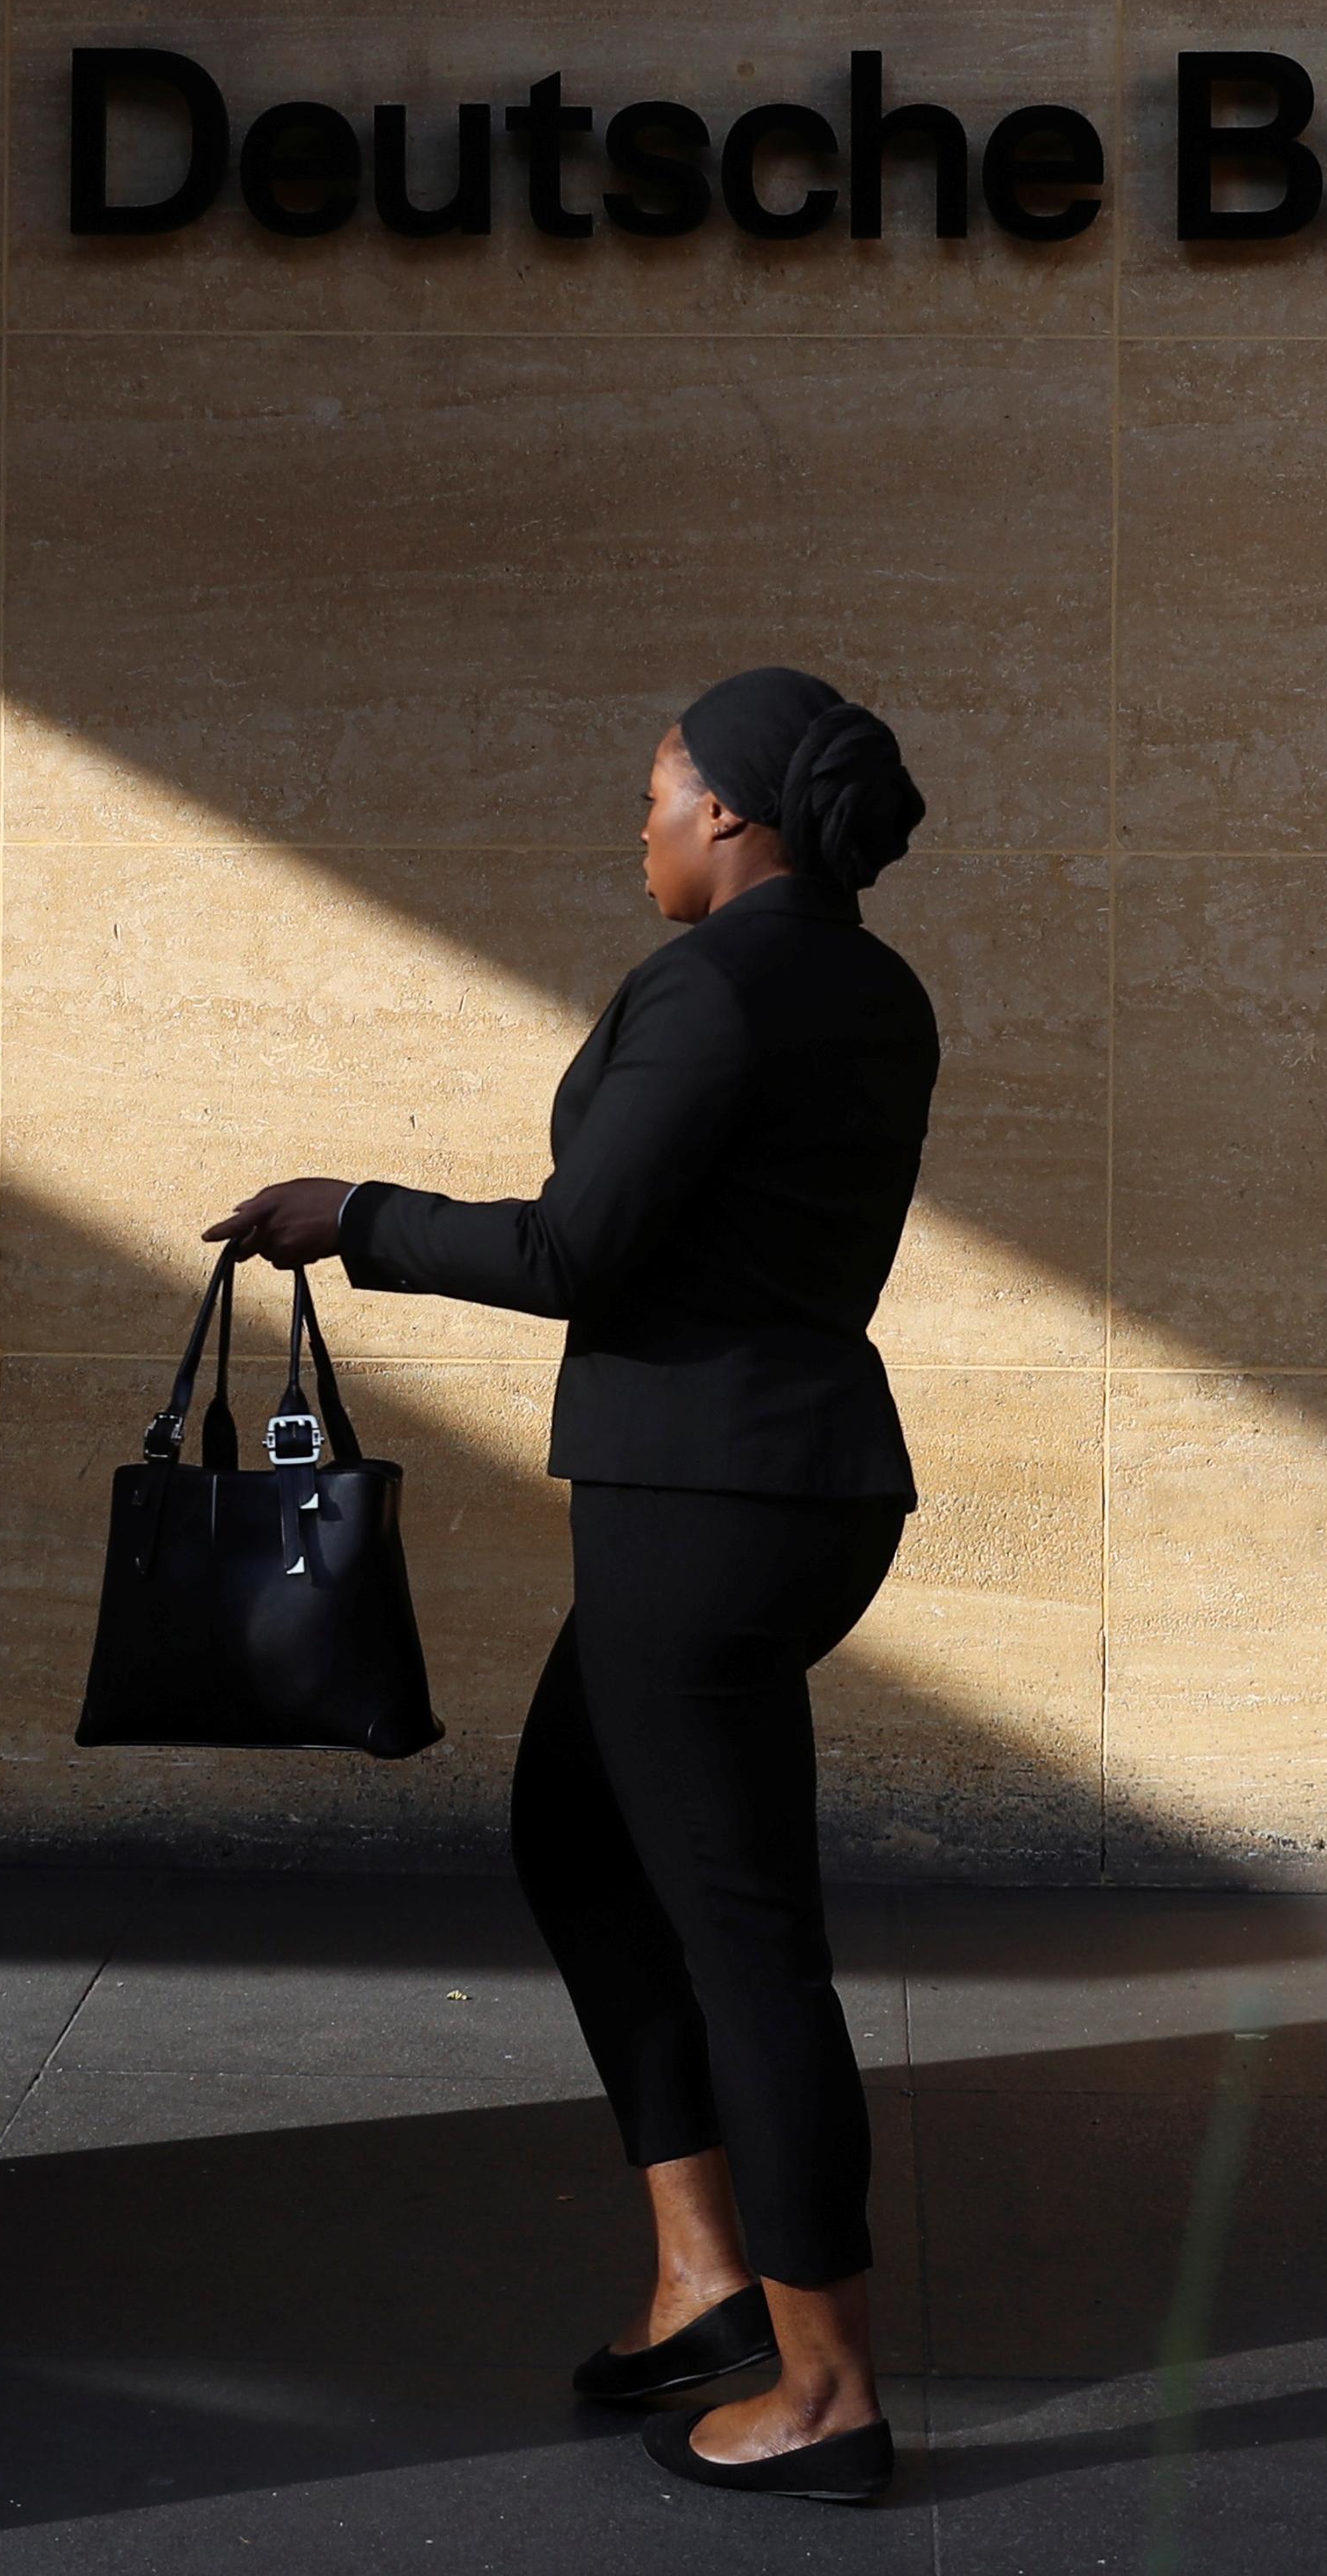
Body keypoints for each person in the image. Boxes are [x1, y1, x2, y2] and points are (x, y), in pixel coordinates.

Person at [207, 666, 937, 2506]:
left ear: (737, 816)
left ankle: (828, 2385)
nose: (640, 823)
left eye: (657, 793)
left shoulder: (717, 984)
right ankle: (705, 2277)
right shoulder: (874, 986)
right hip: (794, 1480)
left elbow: (574, 1245)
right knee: (574, 1828)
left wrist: (350, 1215)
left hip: (698, 1499)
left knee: (749, 1937)